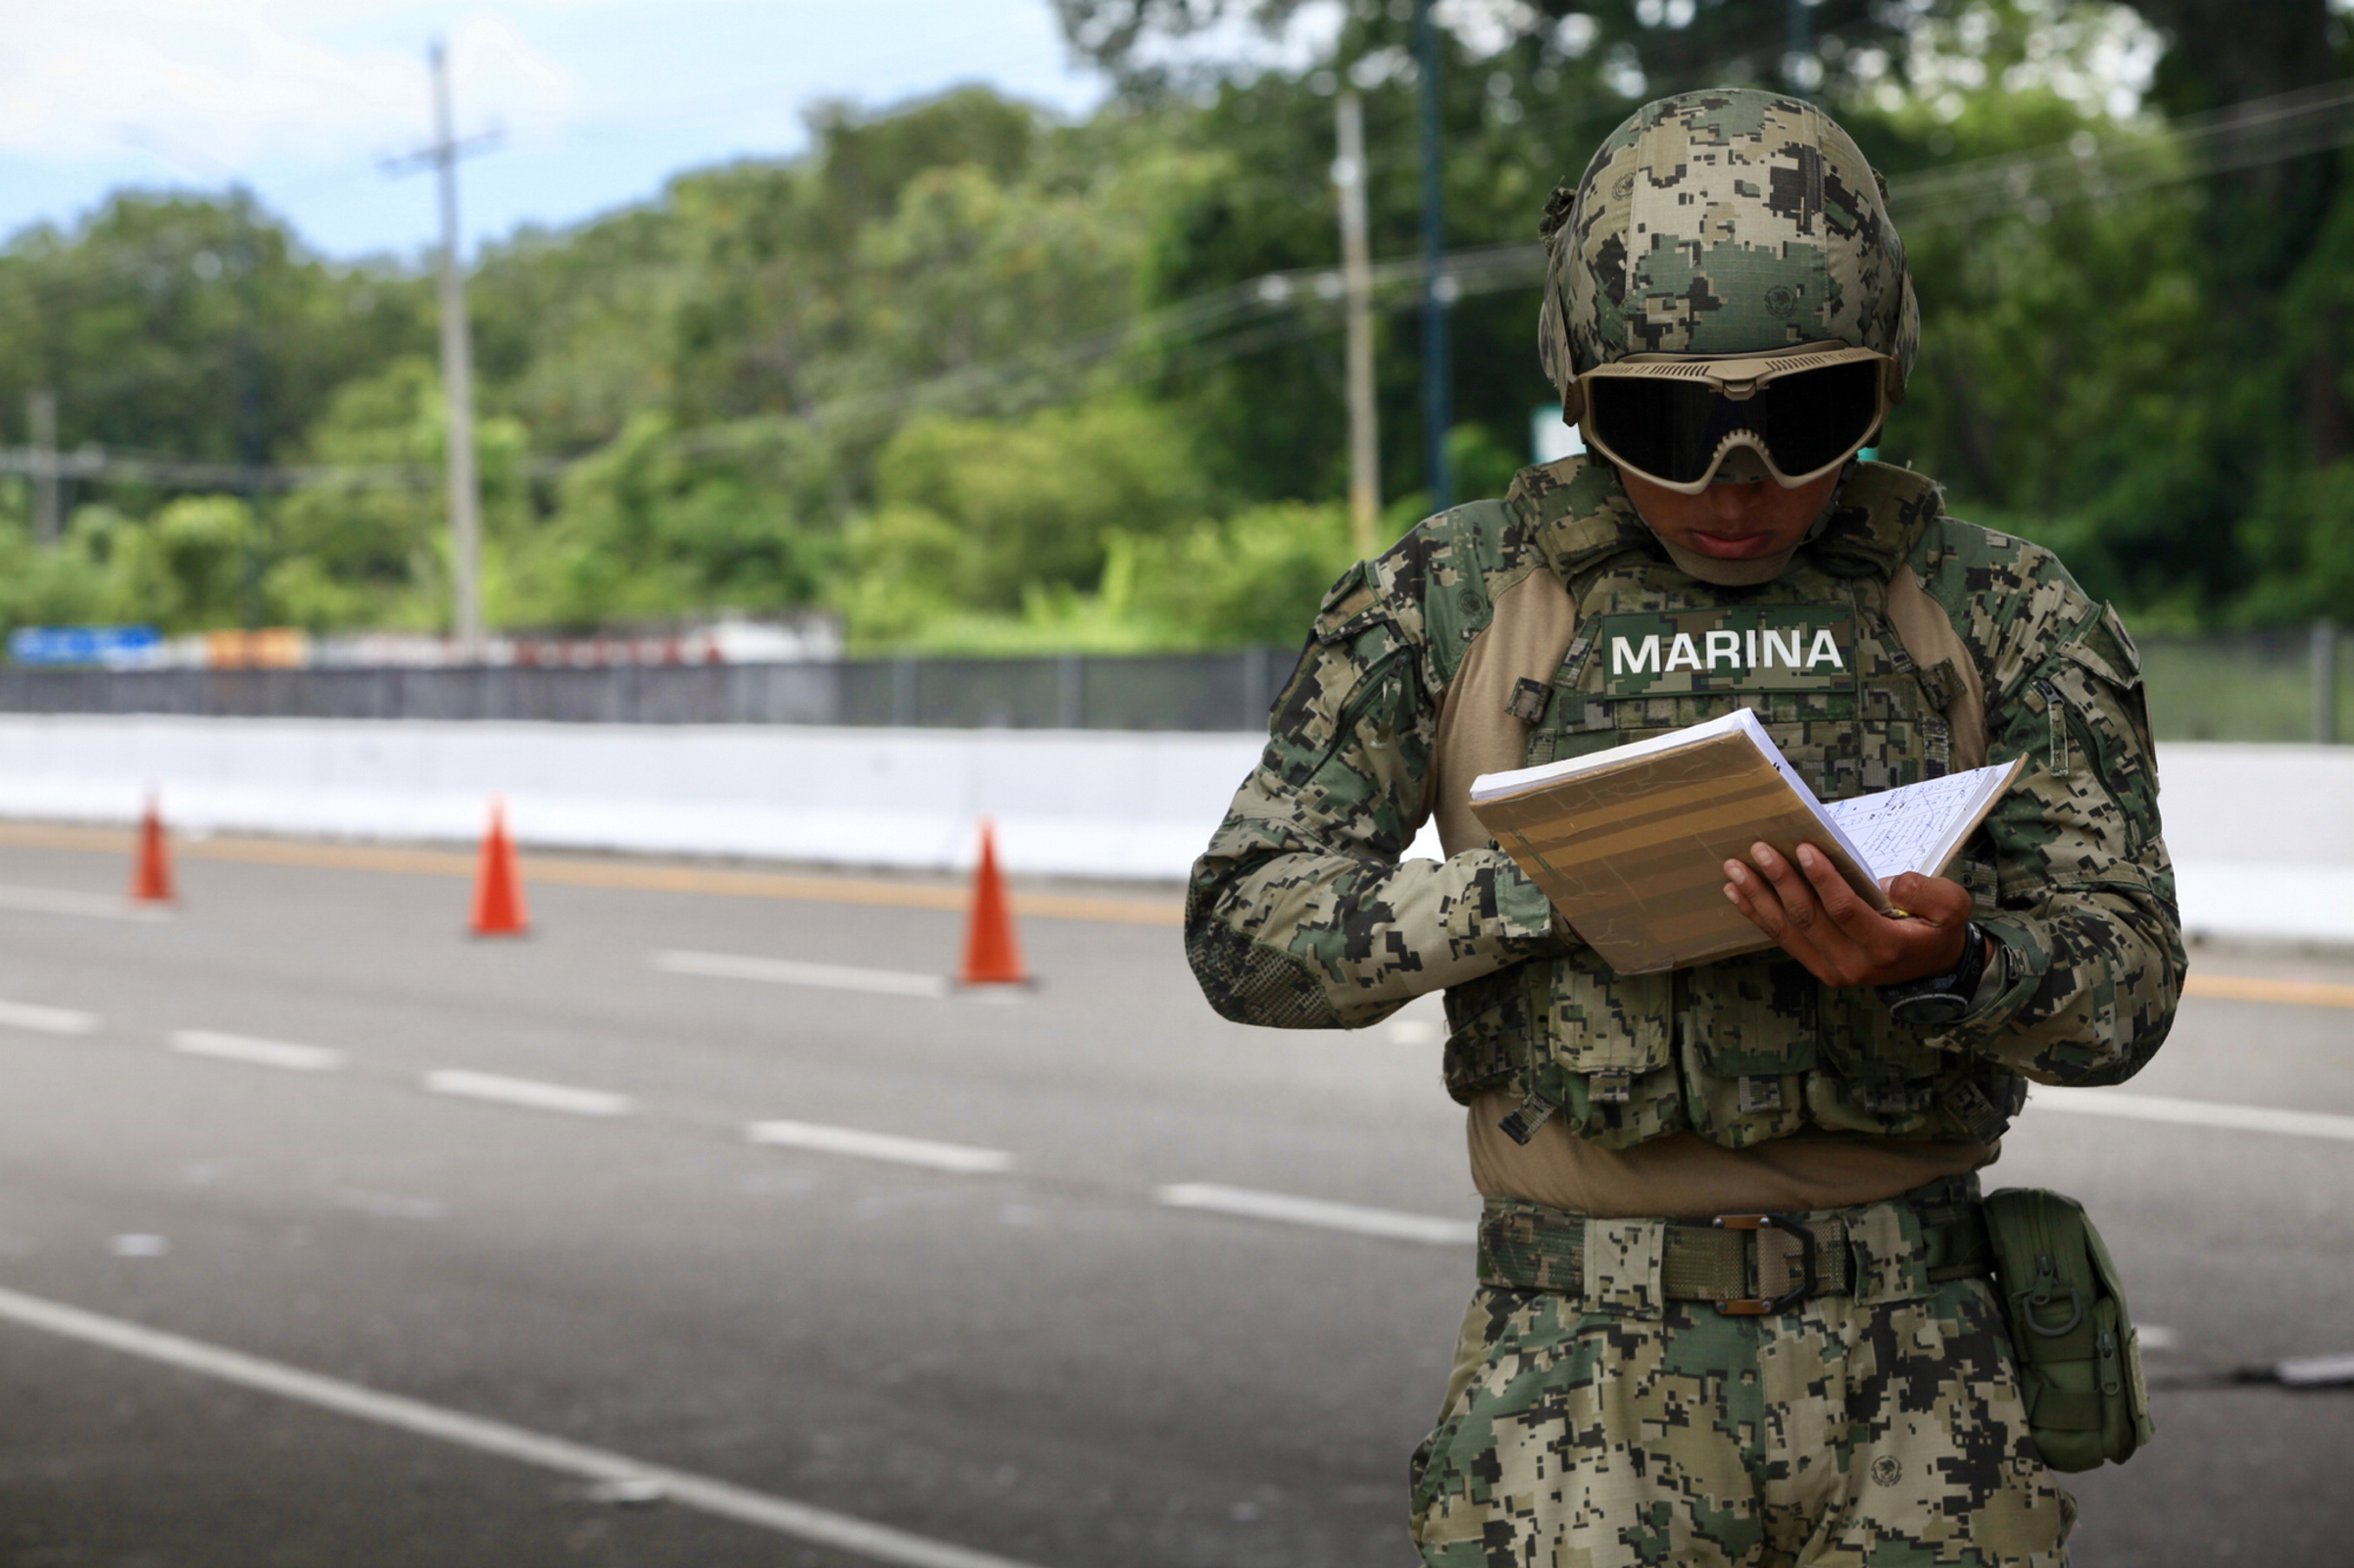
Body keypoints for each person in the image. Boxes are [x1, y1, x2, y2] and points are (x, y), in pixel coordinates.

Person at [1185, 87, 2182, 1567]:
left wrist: (1955, 967)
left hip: (1922, 1370)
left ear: (1886, 377)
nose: (1738, 490)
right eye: (1663, 428)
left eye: (1803, 419)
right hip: (1575, 1373)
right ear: (1577, 391)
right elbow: (1244, 927)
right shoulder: (1451, 599)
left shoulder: (1998, 608)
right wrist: (1529, 892)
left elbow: (2126, 988)